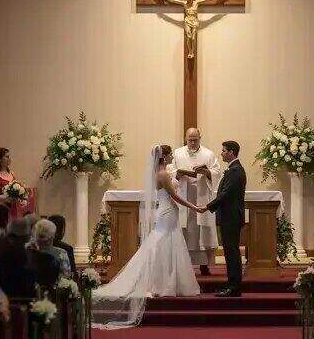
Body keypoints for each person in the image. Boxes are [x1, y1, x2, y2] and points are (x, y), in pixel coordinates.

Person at [92, 145, 202, 328]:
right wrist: (194, 207)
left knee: (167, 244)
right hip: (167, 212)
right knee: (162, 244)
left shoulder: (160, 173)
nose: (171, 158)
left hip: (167, 212)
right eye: (169, 155)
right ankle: (161, 283)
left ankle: (166, 282)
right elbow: (174, 196)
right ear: (164, 157)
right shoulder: (163, 175)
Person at [168, 128, 221, 275]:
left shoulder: (208, 154)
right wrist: (178, 173)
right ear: (185, 138)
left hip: (202, 196)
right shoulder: (178, 153)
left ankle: (204, 264)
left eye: (195, 139)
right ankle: (184, 265)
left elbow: (217, 172)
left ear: (200, 138)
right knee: (186, 230)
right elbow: (171, 171)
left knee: (202, 231)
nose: (192, 142)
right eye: (190, 139)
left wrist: (207, 172)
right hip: (184, 196)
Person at [203, 141, 246, 297]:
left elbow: (225, 194)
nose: (221, 153)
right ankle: (231, 284)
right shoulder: (234, 169)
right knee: (229, 252)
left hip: (231, 218)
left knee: (232, 252)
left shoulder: (235, 171)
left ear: (231, 152)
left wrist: (207, 207)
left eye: (223, 151)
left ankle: (234, 287)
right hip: (229, 217)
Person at [156, 0, 224, 58]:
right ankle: (190, 51)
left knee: (193, 37)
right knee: (189, 36)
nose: (188, 0)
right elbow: (173, 0)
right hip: (187, 20)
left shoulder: (196, 3)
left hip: (194, 21)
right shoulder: (184, 3)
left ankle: (193, 52)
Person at [0, 148, 28, 220]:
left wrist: (21, 196)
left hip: (12, 208)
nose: (9, 159)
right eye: (7, 157)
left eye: (9, 157)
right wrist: (1, 197)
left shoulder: (12, 173)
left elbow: (16, 191)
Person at [48, 215, 77, 280]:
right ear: (61, 229)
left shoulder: (40, 246)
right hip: (62, 286)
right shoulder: (66, 248)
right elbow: (72, 272)